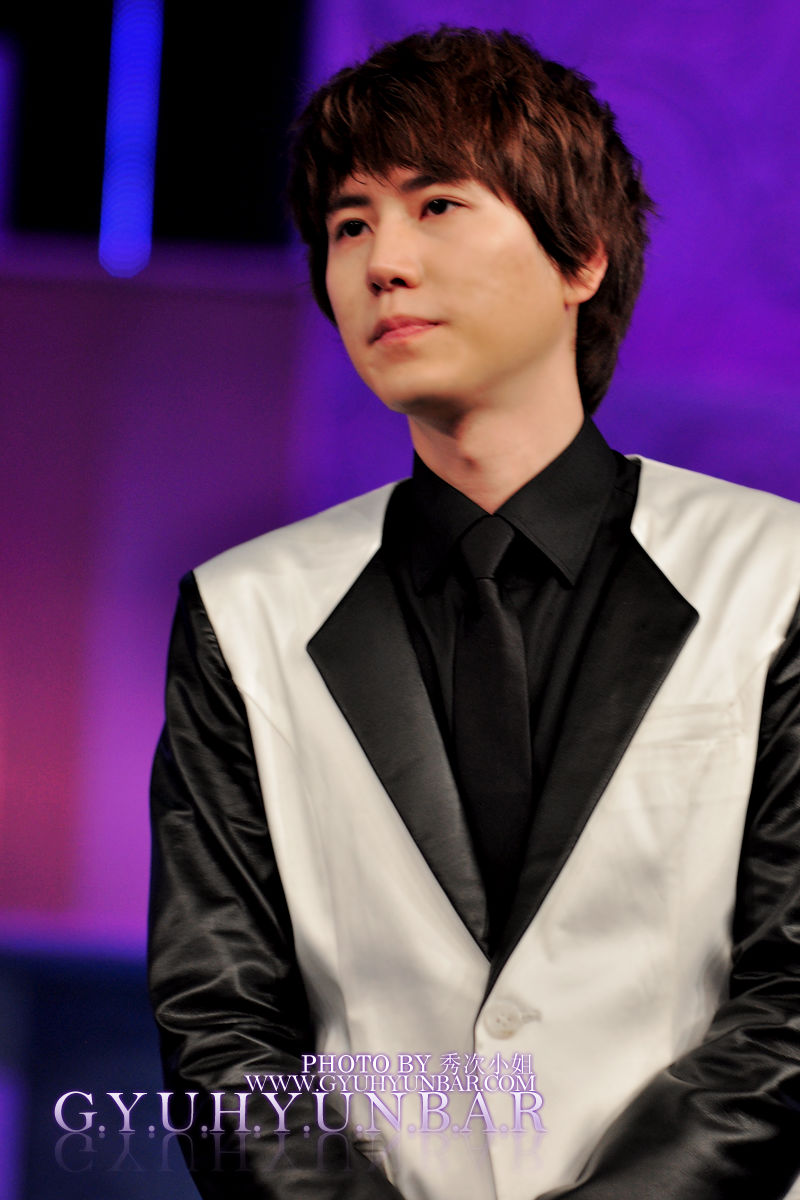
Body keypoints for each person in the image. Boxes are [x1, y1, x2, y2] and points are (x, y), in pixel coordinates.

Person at [148, 27, 800, 1200]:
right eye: (349, 225)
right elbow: (221, 1020)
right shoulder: (242, 613)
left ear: (579, 257)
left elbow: (786, 1003)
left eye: (436, 206)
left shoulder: (775, 576)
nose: (381, 262)